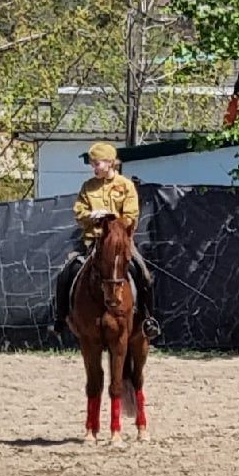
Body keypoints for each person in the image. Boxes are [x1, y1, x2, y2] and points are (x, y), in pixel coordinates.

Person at [53, 142, 160, 340]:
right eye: (92, 164)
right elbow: (79, 212)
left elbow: (131, 216)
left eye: (97, 164)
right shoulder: (88, 187)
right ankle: (61, 318)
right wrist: (91, 216)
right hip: (91, 242)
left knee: (143, 273)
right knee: (65, 271)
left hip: (118, 245)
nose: (94, 168)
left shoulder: (126, 186)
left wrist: (111, 218)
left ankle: (147, 319)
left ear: (110, 163)